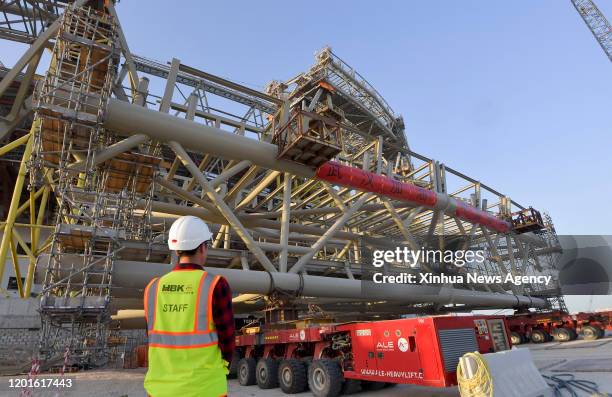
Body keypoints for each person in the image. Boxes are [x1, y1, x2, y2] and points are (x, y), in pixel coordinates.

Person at [143, 216, 235, 397]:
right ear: (202, 247)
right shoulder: (215, 285)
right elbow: (228, 340)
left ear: (176, 249)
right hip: (205, 388)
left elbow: (152, 335)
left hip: (160, 389)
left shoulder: (153, 288)